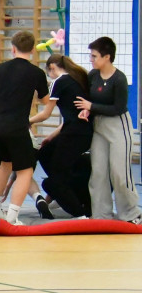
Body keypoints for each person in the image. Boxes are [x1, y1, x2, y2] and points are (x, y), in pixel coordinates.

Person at [0, 30, 50, 225]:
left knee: (4, 165)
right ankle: (13, 216)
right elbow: (46, 100)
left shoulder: (0, 69)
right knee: (25, 170)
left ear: (12, 48)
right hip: (16, 128)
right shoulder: (36, 73)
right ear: (32, 50)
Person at [73, 37, 141, 223]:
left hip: (118, 126)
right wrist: (87, 110)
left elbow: (118, 108)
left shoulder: (119, 79)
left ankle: (131, 214)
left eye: (94, 56)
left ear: (107, 57)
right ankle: (102, 214)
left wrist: (91, 106)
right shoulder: (93, 76)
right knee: (98, 172)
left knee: (119, 173)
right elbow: (90, 100)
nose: (91, 59)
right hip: (99, 128)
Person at [28, 54, 92, 218]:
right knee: (45, 151)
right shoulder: (76, 79)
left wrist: (27, 121)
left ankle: (80, 213)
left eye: (48, 73)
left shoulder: (60, 81)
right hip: (81, 132)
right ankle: (67, 189)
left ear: (52, 68)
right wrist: (51, 136)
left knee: (55, 181)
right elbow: (70, 117)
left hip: (75, 134)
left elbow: (46, 114)